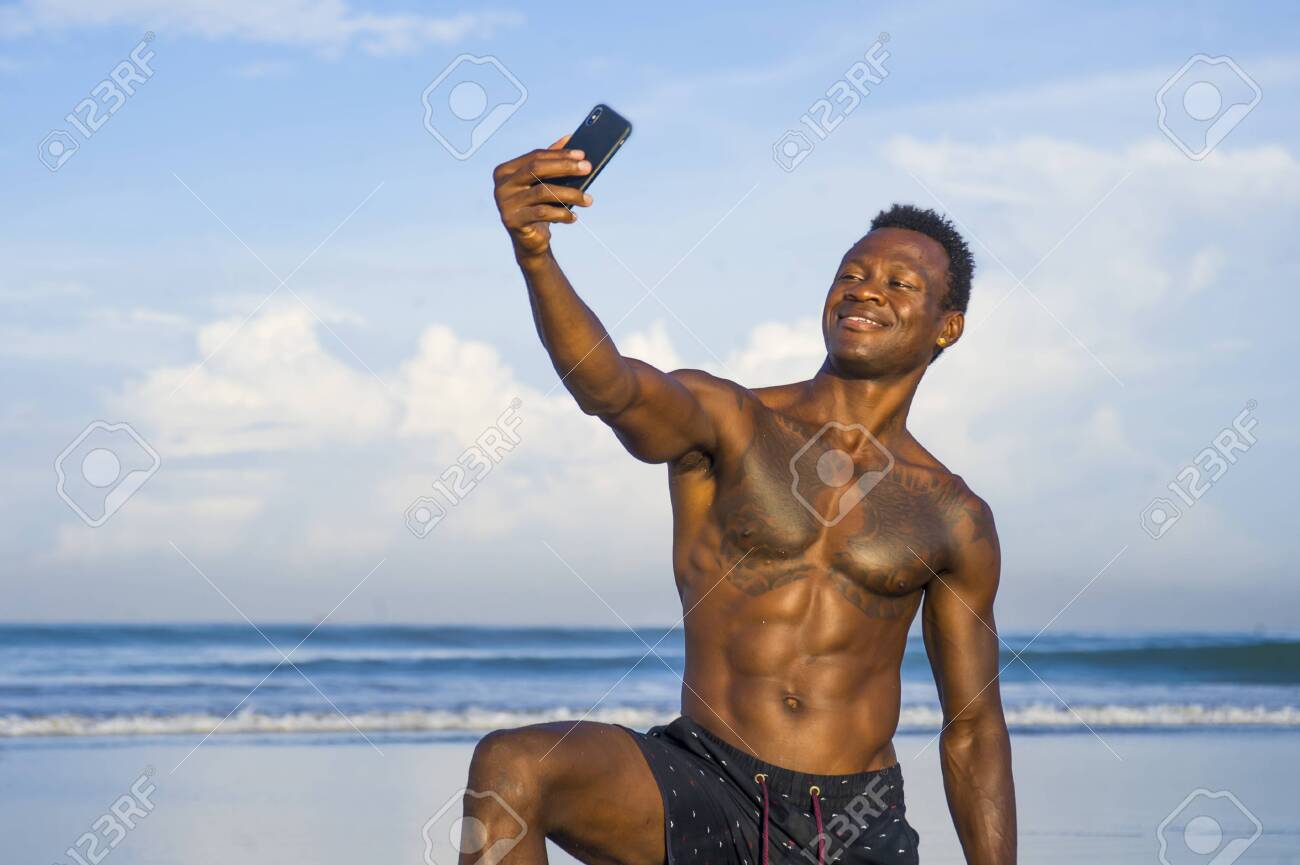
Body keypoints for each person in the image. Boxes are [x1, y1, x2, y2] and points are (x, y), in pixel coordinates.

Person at [460, 136, 1016, 865]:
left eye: (901, 282)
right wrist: (535, 253)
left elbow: (972, 728)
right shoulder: (732, 421)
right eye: (851, 272)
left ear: (948, 325)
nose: (866, 288)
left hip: (852, 821)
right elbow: (611, 386)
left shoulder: (953, 514)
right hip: (703, 779)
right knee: (511, 767)